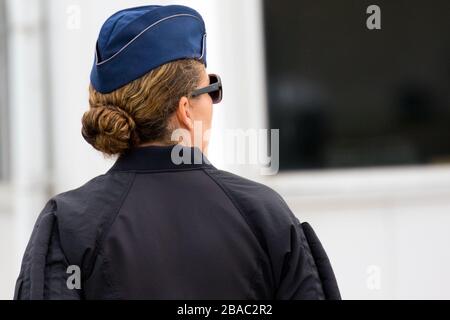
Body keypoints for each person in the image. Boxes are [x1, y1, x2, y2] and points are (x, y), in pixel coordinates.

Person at [14, 4, 340, 300]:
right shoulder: (265, 216)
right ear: (185, 109)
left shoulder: (69, 223)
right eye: (212, 90)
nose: (213, 105)